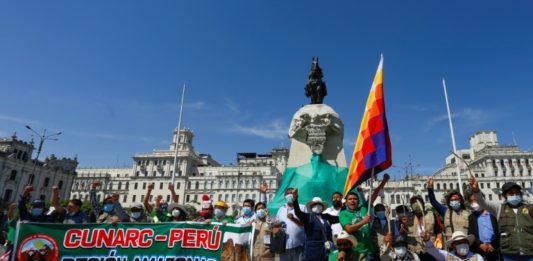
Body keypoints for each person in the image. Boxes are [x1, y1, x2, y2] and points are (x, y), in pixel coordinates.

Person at [472, 178, 533, 260]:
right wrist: (476, 190)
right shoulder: (499, 208)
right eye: (511, 193)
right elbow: (483, 203)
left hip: (529, 253)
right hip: (509, 254)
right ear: (504, 196)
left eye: (517, 193)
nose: (514, 195)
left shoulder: (529, 208)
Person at [293, 189, 339, 261]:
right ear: (311, 207)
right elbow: (298, 212)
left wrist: (343, 206)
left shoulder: (327, 216)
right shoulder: (308, 217)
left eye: (319, 204)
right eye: (315, 205)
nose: (317, 206)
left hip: (326, 251)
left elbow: (339, 218)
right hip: (312, 252)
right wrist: (295, 199)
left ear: (322, 207)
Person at [466, 177, 501, 260]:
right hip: (479, 250)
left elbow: (498, 232)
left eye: (476, 200)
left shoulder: (492, 214)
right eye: (472, 201)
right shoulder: (472, 217)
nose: (474, 203)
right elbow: (471, 233)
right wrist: (480, 244)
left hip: (494, 249)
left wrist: (493, 245)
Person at [427, 177, 470, 242]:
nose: (454, 201)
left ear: (460, 200)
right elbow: (433, 201)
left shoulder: (467, 213)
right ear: (449, 202)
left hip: (465, 243)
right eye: (452, 200)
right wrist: (430, 188)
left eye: (456, 199)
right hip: (452, 245)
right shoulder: (445, 211)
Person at [275, 188, 305, 261]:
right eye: (287, 194)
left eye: (291, 193)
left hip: (299, 246)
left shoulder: (302, 207)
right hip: (284, 247)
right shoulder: (281, 209)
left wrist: (293, 219)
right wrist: (277, 225)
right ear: (284, 196)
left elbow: (305, 224)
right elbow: (276, 226)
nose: (289, 195)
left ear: (295, 195)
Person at [405, 196, 438, 261]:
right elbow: (402, 232)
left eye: (418, 202)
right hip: (414, 252)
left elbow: (438, 231)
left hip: (430, 251)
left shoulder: (431, 215)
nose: (416, 204)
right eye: (413, 203)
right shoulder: (407, 217)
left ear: (423, 203)